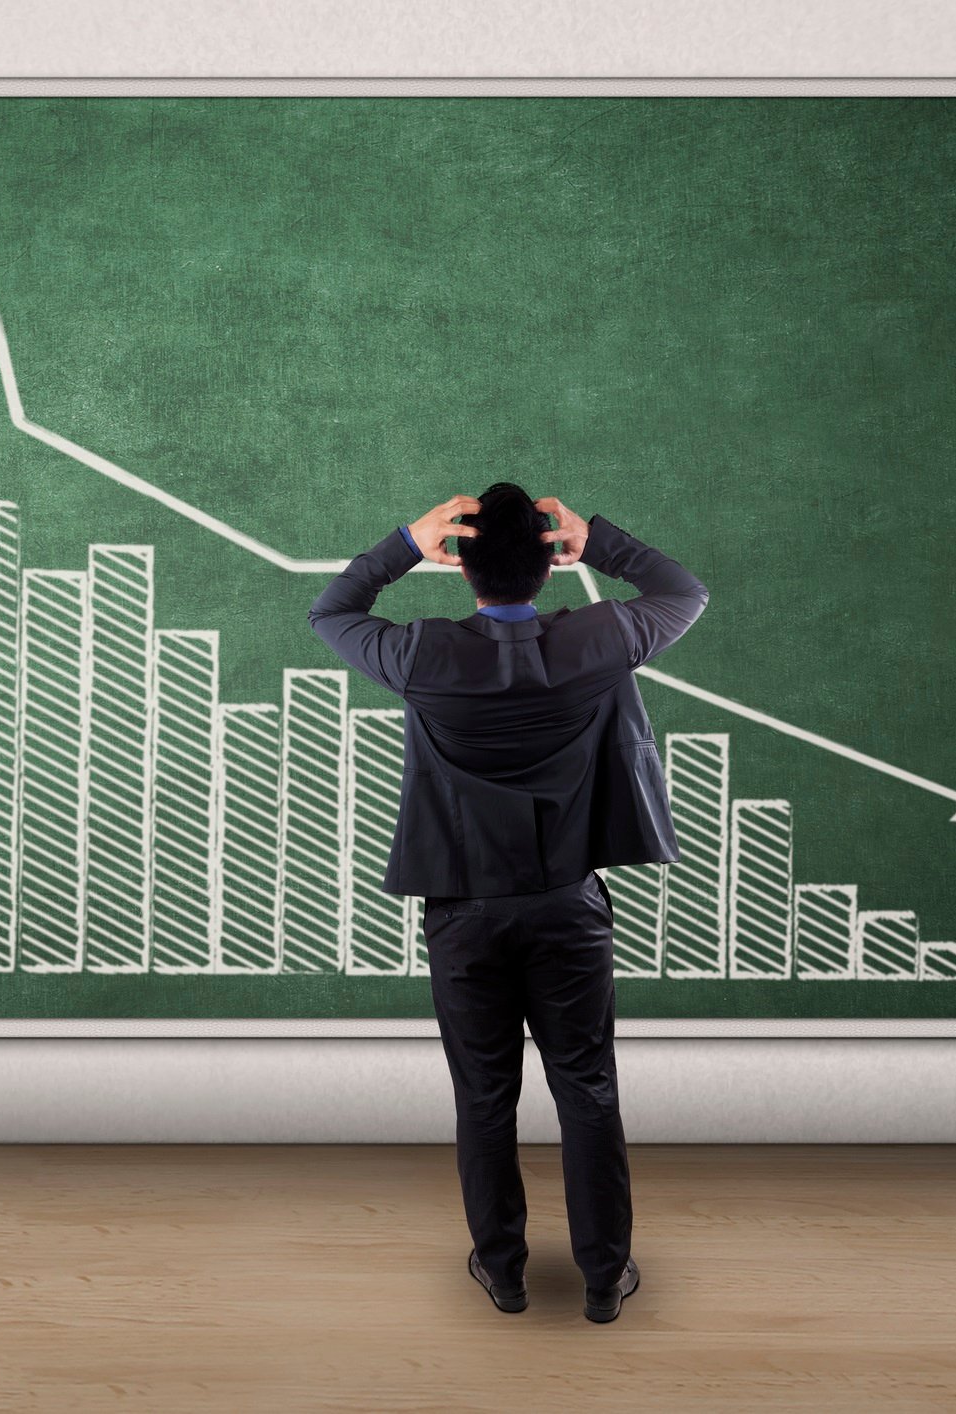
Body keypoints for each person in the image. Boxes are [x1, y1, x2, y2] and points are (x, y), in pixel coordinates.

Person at [307, 484, 708, 1324]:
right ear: (548, 562)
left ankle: (503, 1272)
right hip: (567, 906)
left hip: (464, 913)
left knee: (484, 1097)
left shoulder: (423, 654)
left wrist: (405, 543)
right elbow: (683, 592)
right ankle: (603, 1278)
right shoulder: (600, 638)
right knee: (587, 1089)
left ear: (461, 567)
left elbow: (332, 610)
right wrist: (598, 540)